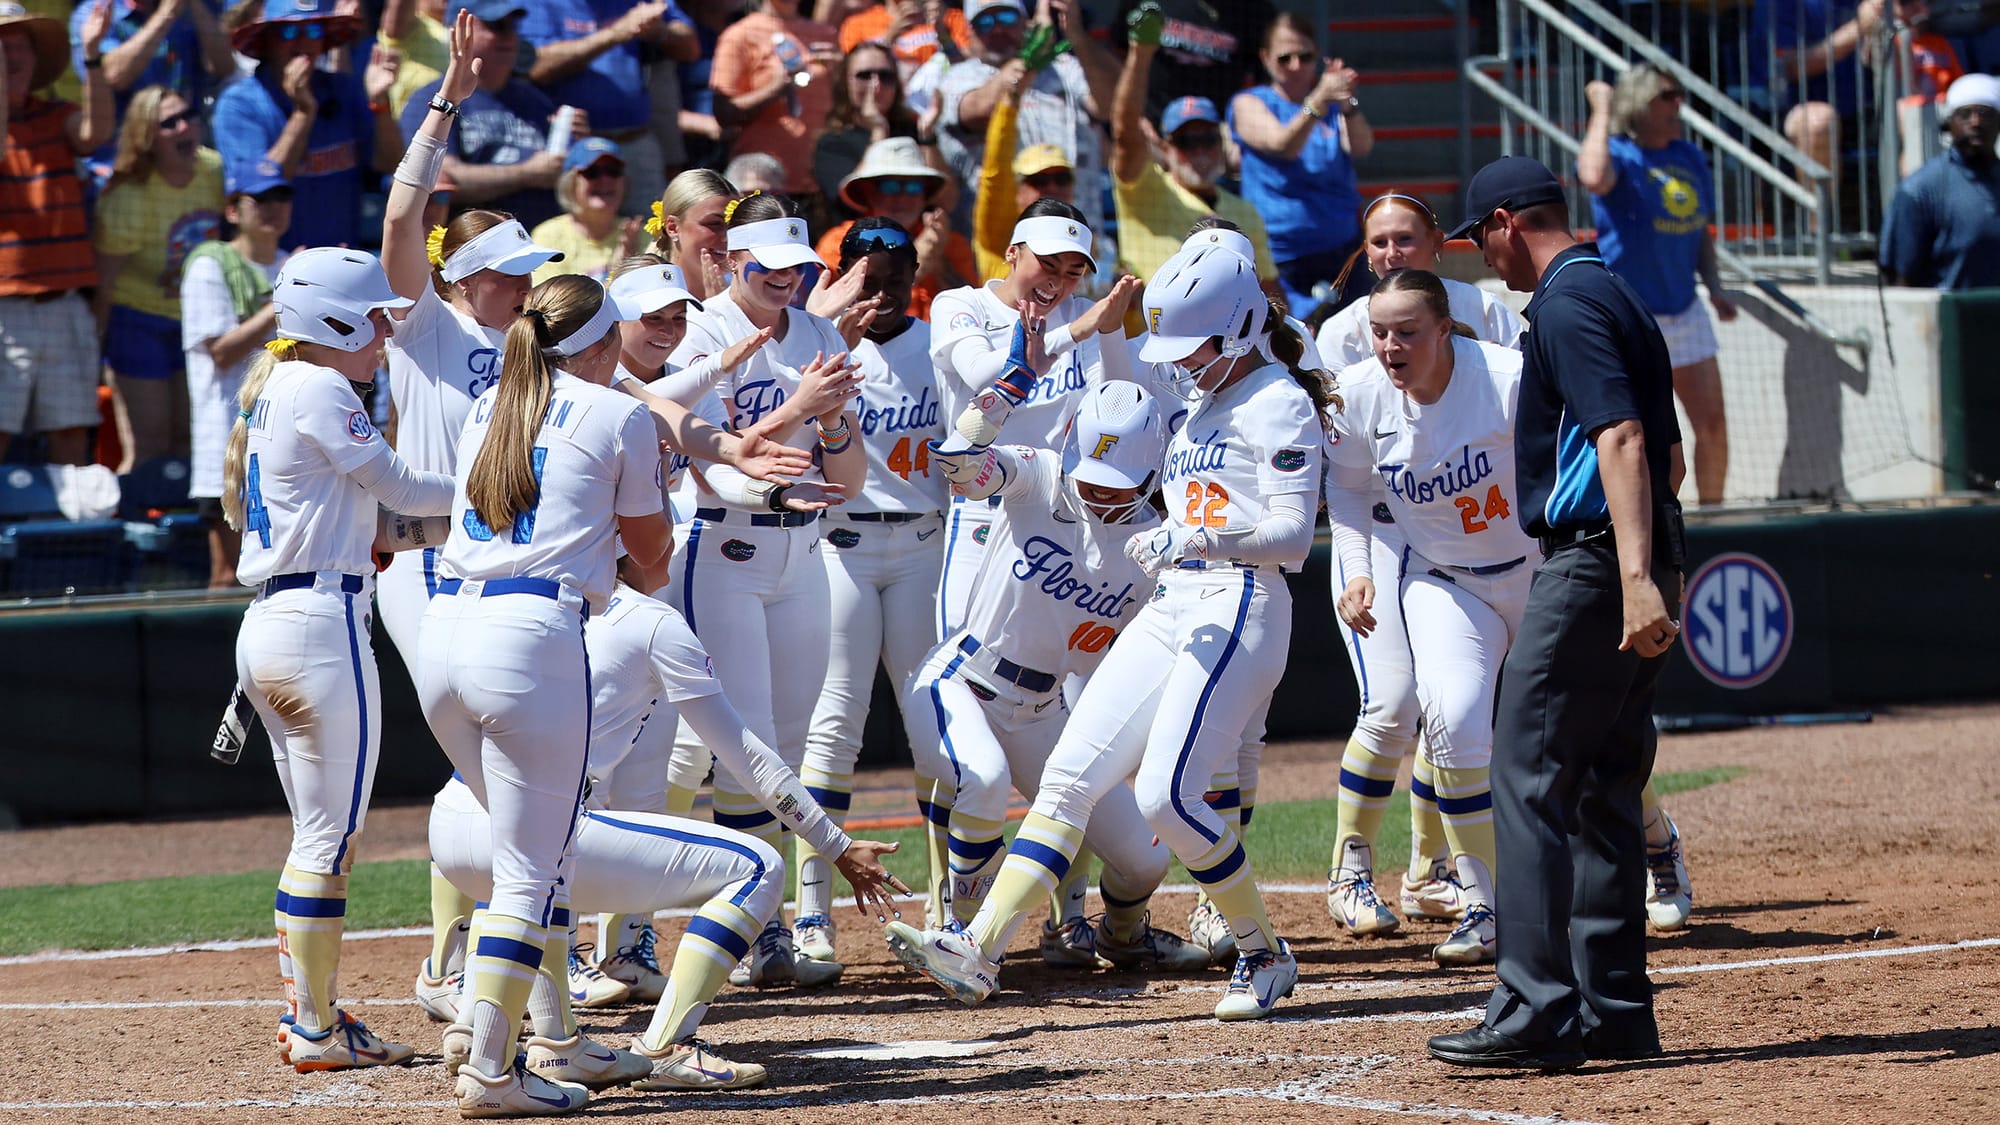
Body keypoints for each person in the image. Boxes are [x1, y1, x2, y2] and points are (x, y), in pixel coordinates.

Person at [887, 242, 1332, 1021]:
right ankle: (978, 947)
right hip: (1173, 603)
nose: (1181, 363)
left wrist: (1195, 539)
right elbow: (974, 453)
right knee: (1067, 779)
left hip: (1241, 599)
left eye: (1190, 344)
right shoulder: (1196, 403)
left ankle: (1263, 951)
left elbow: (1294, 535)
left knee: (1166, 797)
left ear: (1235, 328)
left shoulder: (1278, 401)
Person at [1427, 156, 1684, 1070]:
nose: (1483, 260)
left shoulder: (1567, 303)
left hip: (1595, 567)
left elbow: (1619, 435)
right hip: (1640, 555)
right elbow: (1669, 453)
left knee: (1529, 776)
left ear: (1504, 222)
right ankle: (1614, 1009)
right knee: (1601, 782)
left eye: (1478, 240)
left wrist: (1632, 575)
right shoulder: (1615, 291)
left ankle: (1533, 1004)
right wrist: (1655, 565)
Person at [415, 272, 671, 1117]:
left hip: (445, 633)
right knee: (531, 868)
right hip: (532, 638)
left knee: (533, 857)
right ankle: (490, 1066)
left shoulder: (497, 402)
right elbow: (654, 563)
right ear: (600, 341)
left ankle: (545, 1033)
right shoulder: (619, 412)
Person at [221, 246, 457, 1074]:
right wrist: (489, 484)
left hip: (282, 619)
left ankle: (312, 1015)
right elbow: (399, 484)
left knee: (317, 835)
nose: (386, 332)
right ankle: (316, 1025)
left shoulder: (288, 388)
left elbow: (383, 525)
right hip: (318, 624)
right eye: (374, 317)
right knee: (330, 836)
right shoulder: (319, 385)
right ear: (331, 318)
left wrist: (463, 521)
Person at [905, 378, 1213, 979]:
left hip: (1044, 711)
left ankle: (1123, 935)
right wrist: (994, 402)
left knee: (1145, 861)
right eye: (1091, 477)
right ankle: (963, 935)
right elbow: (960, 466)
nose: (1098, 494)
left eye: (1114, 483)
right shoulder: (1041, 475)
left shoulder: (1157, 544)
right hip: (963, 678)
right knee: (984, 778)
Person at [653, 191, 867, 986]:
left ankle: (764, 924)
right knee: (744, 744)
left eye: (797, 267)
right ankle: (753, 926)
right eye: (769, 267)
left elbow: (848, 473)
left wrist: (835, 424)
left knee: (791, 736)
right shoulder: (704, 331)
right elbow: (708, 454)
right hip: (726, 546)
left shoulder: (816, 329)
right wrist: (799, 407)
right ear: (734, 261)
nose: (786, 280)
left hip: (804, 549)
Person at [1311, 192, 1519, 943]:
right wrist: (1358, 563)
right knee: (1408, 704)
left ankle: (1651, 842)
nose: (1391, 252)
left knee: (1579, 719)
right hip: (1415, 547)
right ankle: (1357, 868)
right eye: (1377, 242)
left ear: (1436, 241)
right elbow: (1348, 476)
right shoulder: (1344, 346)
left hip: (1513, 546)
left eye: (1405, 238)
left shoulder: (1492, 332)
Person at [788, 218, 946, 969]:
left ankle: (948, 905)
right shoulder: (817, 346)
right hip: (841, 543)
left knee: (931, 722)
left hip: (921, 543)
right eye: (864, 277)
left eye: (892, 280)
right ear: (841, 272)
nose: (878, 295)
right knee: (833, 726)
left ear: (914, 276)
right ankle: (811, 914)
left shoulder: (937, 344)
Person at [1579, 66, 1735, 508]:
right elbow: (1592, 176)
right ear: (1640, 104)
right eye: (1666, 96)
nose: (1676, 105)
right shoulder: (1620, 156)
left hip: (1684, 310)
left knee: (1713, 425)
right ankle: (1647, 529)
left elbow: (1699, 228)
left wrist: (1715, 285)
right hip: (1632, 316)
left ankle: (1716, 518)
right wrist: (1603, 107)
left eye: (1678, 95)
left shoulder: (1688, 155)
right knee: (1641, 436)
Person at [0, 0, 114, 466]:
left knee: (71, 434)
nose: (13, 55)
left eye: (21, 44)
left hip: (65, 302)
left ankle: (70, 540)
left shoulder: (54, 114)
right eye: (1, 46)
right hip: (6, 308)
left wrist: (92, 56)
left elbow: (95, 134)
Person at [93, 84, 223, 466]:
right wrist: (95, 353)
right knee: (149, 442)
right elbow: (104, 285)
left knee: (190, 439)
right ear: (146, 136)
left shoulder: (213, 170)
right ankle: (140, 522)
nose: (185, 128)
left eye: (189, 117)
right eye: (169, 123)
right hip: (137, 322)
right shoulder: (127, 196)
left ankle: (183, 526)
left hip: (195, 322)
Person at [211, 0, 400, 251]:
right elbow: (262, 188)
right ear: (267, 41)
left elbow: (388, 163)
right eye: (288, 31)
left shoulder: (344, 89)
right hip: (275, 265)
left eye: (314, 31)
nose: (303, 42)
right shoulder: (239, 104)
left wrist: (380, 104)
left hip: (341, 257)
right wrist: (303, 112)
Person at [1113, 4, 1278, 290]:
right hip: (1153, 328)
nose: (1199, 150)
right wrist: (1141, 55)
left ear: (1222, 142)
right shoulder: (1145, 190)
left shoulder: (1245, 212)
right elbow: (1125, 131)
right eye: (1185, 141)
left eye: (1208, 139)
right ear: (1166, 147)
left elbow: (1270, 290)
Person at [183, 158, 290, 589]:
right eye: (260, 199)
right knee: (228, 576)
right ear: (233, 210)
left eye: (282, 197)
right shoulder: (209, 264)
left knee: (274, 575)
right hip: (224, 443)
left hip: (281, 441)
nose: (273, 207)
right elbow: (223, 353)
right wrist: (282, 298)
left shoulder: (291, 264)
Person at [1227, 13, 1371, 318]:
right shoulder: (1249, 103)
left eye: (1305, 56)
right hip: (1280, 258)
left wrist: (1347, 104)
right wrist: (1318, 99)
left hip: (1343, 249)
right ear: (1265, 59)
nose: (1295, 66)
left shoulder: (1330, 107)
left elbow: (1361, 146)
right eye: (1284, 58)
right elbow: (1283, 145)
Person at [934, 0, 1117, 236]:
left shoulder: (1065, 68)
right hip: (1004, 246)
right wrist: (1030, 60)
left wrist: (1077, 37)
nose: (998, 29)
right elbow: (980, 110)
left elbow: (1111, 105)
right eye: (985, 22)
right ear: (969, 31)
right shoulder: (958, 77)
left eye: (1007, 19)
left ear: (1025, 22)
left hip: (1079, 236)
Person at [397, 0, 565, 232]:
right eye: (496, 26)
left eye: (512, 26)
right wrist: (529, 173)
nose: (508, 36)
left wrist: (573, 148)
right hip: (470, 247)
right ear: (459, 33)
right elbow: (444, 180)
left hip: (537, 242)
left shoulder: (537, 102)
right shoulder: (430, 101)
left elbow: (561, 176)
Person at [519, 0, 697, 212]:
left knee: (651, 236)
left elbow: (691, 47)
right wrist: (616, 33)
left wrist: (660, 31)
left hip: (635, 141)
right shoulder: (540, 4)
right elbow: (536, 65)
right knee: (578, 237)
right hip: (574, 149)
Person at [69, 0, 231, 178]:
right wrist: (166, 13)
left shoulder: (198, 8)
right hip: (122, 171)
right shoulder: (95, 12)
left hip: (184, 165)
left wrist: (195, 5)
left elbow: (223, 67)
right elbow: (114, 76)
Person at [708, 0, 838, 216]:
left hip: (821, 181)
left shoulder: (825, 33)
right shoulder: (740, 35)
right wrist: (774, 88)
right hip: (763, 183)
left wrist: (842, 73)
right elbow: (724, 111)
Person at [819, 137, 973, 318]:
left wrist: (939, 264)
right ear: (869, 192)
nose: (902, 198)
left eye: (913, 187)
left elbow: (972, 307)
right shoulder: (838, 242)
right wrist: (917, 262)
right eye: (890, 187)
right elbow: (826, 311)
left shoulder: (949, 242)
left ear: (924, 194)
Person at [1880, 72, 2000, 290]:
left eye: (1985, 113)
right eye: (1964, 114)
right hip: (1950, 320)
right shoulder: (1920, 189)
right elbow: (1901, 277)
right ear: (1949, 122)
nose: (1975, 122)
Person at [812, 42, 925, 226]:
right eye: (864, 76)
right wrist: (878, 130)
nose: (876, 85)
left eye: (885, 76)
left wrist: (928, 136)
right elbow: (851, 202)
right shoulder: (832, 143)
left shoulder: (913, 130)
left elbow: (944, 199)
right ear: (845, 82)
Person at [1114, 0, 1271, 121]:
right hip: (1149, 126)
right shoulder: (1142, 3)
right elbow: (1118, 54)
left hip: (1212, 136)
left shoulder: (1256, 11)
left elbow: (1265, 84)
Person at [530, 137, 640, 284]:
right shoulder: (548, 237)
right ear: (570, 183)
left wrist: (632, 261)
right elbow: (551, 302)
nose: (605, 180)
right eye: (592, 172)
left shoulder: (641, 235)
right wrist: (620, 270)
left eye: (613, 171)